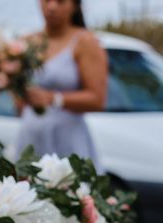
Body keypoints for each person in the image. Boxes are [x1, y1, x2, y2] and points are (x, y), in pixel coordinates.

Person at [15, 0, 108, 167]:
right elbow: (18, 100)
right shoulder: (26, 42)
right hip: (31, 137)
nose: (51, 7)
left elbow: (97, 99)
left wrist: (54, 98)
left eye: (60, 1)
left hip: (67, 138)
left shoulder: (86, 42)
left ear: (74, 5)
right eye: (47, 0)